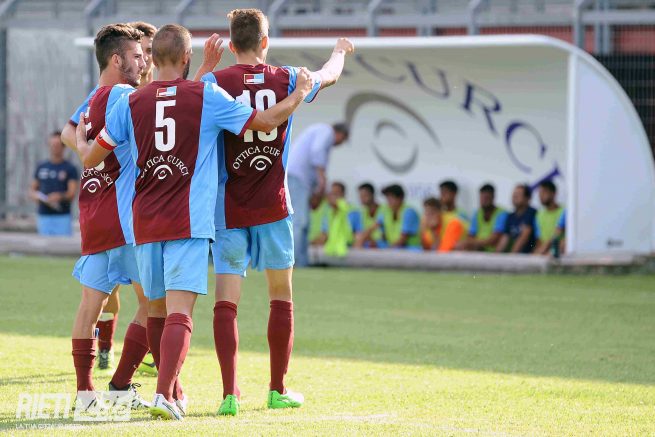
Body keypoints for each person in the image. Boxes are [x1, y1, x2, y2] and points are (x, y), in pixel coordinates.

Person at [77, 23, 313, 420]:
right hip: (187, 220)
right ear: (188, 57)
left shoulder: (130, 102)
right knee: (180, 312)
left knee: (155, 310)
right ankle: (164, 394)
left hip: (144, 221)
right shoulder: (205, 95)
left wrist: (84, 140)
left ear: (152, 58)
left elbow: (90, 158)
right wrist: (299, 93)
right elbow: (264, 122)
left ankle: (162, 391)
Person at [200, 8, 353, 415]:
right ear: (265, 41)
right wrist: (339, 51)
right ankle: (276, 389)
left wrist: (205, 67)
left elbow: (188, 102)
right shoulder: (288, 78)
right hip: (273, 205)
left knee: (226, 303)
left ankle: (229, 394)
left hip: (228, 208)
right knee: (280, 297)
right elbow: (329, 75)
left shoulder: (215, 82)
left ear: (232, 44)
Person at [59, 23, 150, 411]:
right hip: (126, 219)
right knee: (156, 305)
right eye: (137, 56)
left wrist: (86, 149)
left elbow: (72, 134)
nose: (143, 62)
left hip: (94, 214)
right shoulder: (127, 97)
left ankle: (85, 394)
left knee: (89, 307)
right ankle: (121, 386)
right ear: (116, 60)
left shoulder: (92, 100)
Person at [287, 122, 349, 266]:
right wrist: (322, 180)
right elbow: (317, 151)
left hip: (301, 181)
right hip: (297, 178)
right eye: (343, 139)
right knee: (299, 222)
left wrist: (318, 190)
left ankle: (302, 262)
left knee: (304, 223)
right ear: (340, 134)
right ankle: (292, 262)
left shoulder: (319, 131)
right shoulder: (326, 131)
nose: (340, 143)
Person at [29, 132, 78, 236]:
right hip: (44, 216)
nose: (54, 148)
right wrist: (38, 197)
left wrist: (59, 196)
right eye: (52, 145)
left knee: (62, 245)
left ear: (63, 147)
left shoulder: (70, 168)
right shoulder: (41, 167)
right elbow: (32, 190)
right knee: (43, 245)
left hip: (62, 216)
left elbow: (72, 193)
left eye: (57, 145)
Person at [361, 184, 420, 249]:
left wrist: (387, 251)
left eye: (391, 198)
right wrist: (363, 240)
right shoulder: (386, 211)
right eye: (387, 198)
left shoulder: (409, 212)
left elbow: (403, 239)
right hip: (392, 248)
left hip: (410, 249)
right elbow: (371, 228)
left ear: (400, 198)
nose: (388, 201)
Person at [459, 184, 507, 252]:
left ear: (493, 197)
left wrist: (473, 242)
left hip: (495, 254)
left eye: (487, 198)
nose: (484, 201)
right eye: (482, 198)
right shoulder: (477, 213)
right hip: (478, 250)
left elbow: (493, 240)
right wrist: (473, 243)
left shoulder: (502, 213)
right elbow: (470, 236)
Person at [317, 182, 360, 256]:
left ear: (343, 194)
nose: (334, 196)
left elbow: (357, 234)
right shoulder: (327, 212)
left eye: (336, 193)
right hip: (331, 250)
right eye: (332, 194)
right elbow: (324, 234)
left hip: (349, 250)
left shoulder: (353, 211)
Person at [496, 184, 537, 254]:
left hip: (530, 255)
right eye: (514, 194)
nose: (514, 196)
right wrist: (495, 256)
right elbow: (504, 239)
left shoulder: (531, 213)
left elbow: (523, 238)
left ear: (527, 198)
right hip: (517, 256)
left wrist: (511, 256)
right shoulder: (510, 216)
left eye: (518, 194)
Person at [533, 180, 565, 255]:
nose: (541, 196)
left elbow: (559, 235)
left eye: (544, 192)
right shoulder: (538, 215)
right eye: (539, 193)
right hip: (544, 253)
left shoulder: (564, 211)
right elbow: (539, 240)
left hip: (560, 252)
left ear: (553, 193)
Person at [353, 182, 386, 248]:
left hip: (383, 245)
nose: (362, 198)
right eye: (360, 196)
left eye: (365, 195)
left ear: (372, 195)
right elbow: (363, 232)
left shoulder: (384, 210)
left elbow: (382, 233)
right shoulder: (363, 212)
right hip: (369, 244)